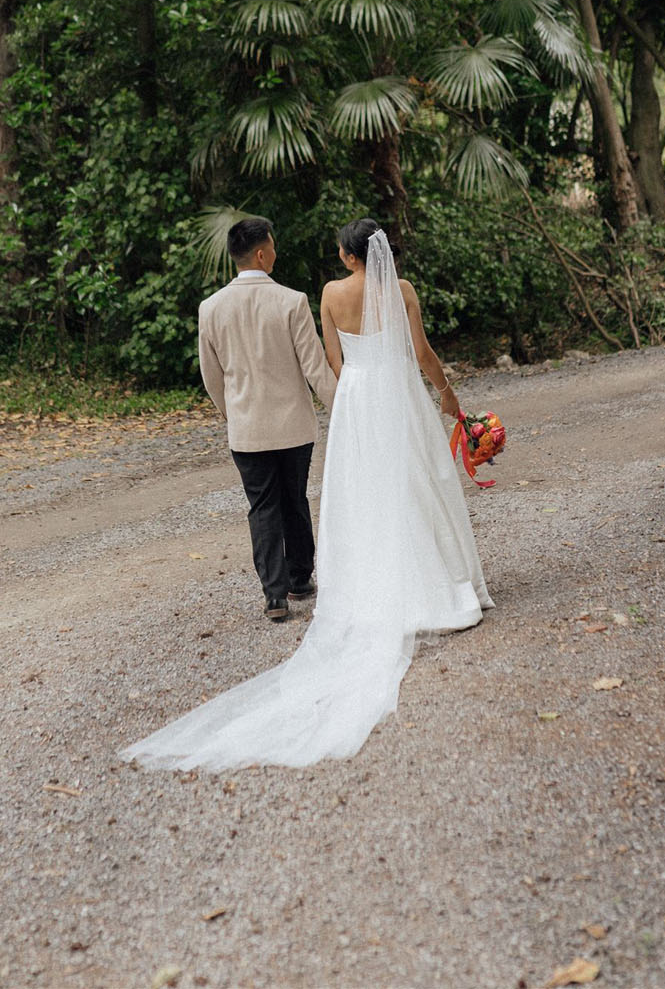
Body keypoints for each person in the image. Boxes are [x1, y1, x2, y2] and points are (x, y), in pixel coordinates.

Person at [121, 219, 493, 772]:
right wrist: (445, 401)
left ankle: (299, 588)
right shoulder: (381, 292)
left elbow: (312, 363)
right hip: (358, 405)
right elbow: (397, 356)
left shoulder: (304, 297)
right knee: (397, 485)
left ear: (347, 256)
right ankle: (375, 575)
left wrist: (342, 407)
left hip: (312, 410)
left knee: (310, 500)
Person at [197, 215, 338, 621]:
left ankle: (274, 596)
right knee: (294, 499)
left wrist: (232, 412)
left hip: (247, 430)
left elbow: (211, 375)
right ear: (261, 254)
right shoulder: (291, 301)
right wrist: (340, 407)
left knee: (262, 507)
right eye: (272, 246)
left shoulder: (211, 308)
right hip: (294, 427)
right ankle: (300, 578)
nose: (275, 251)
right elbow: (314, 367)